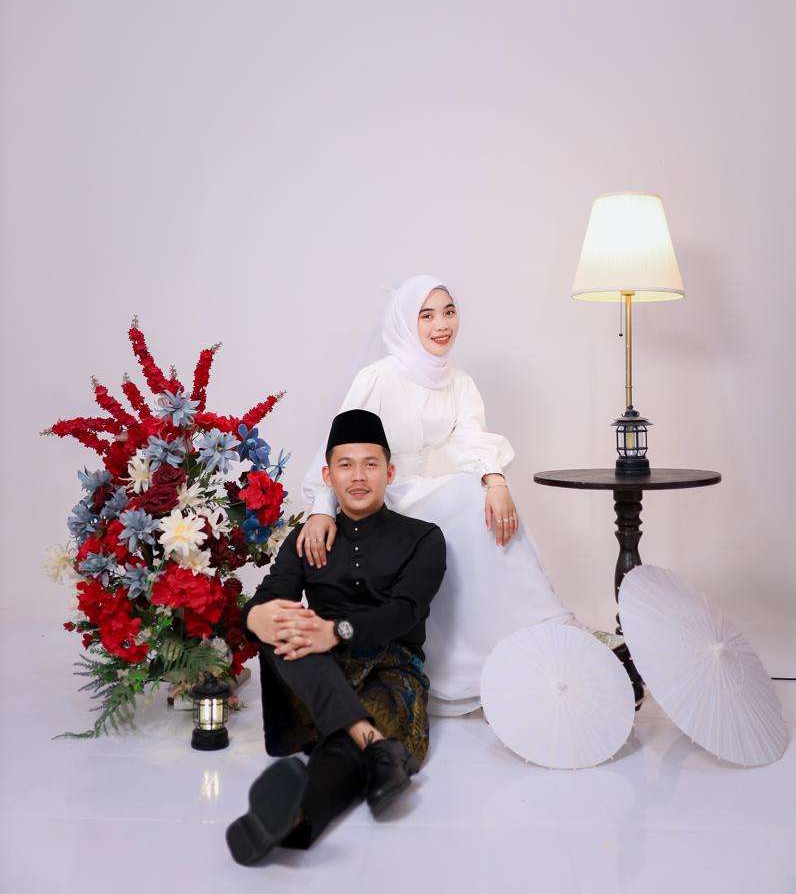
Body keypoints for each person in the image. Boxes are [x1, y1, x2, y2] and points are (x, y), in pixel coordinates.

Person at [298, 274, 583, 716]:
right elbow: (339, 446)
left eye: (449, 312)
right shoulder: (380, 377)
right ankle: (542, 630)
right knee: (468, 497)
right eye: (427, 315)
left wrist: (496, 482)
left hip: (436, 488)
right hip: (386, 493)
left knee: (483, 503)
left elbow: (472, 439)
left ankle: (537, 632)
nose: (442, 324)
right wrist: (321, 507)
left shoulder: (459, 382)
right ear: (404, 322)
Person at [227, 408, 446, 866]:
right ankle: (372, 743)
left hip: (392, 671)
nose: (358, 476)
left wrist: (336, 631)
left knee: (357, 734)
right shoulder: (307, 538)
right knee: (285, 626)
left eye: (370, 464)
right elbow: (265, 600)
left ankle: (296, 818)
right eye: (346, 465)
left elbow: (406, 612)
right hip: (316, 675)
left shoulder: (424, 538)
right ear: (328, 476)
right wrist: (257, 619)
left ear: (390, 472)